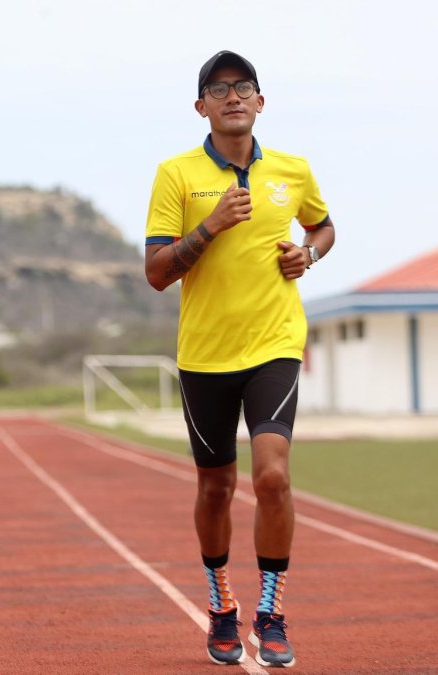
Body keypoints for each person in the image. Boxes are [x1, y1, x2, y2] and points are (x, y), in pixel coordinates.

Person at [143, 51, 335, 669]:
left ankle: (271, 612)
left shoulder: (293, 170)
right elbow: (155, 273)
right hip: (205, 354)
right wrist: (212, 227)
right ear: (201, 106)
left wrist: (308, 255)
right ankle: (221, 602)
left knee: (273, 477)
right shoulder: (176, 174)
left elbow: (324, 229)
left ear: (260, 101)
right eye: (219, 89)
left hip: (276, 342)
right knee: (216, 486)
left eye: (243, 87)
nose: (233, 97)